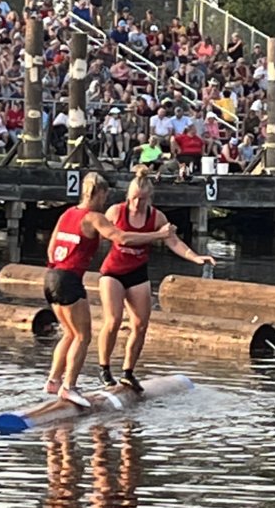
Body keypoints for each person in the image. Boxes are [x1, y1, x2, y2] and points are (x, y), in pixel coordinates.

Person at [44, 172, 175, 407]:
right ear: (100, 193)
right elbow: (122, 238)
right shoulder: (93, 217)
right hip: (69, 279)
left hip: (51, 277)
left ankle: (53, 380)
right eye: (105, 195)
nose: (106, 201)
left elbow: (52, 247)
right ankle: (69, 387)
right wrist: (159, 235)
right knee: (83, 337)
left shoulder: (67, 213)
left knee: (69, 333)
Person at [97, 166, 216, 392]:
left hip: (138, 273)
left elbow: (173, 241)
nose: (136, 204)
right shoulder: (116, 212)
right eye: (133, 199)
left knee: (140, 325)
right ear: (127, 197)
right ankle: (104, 369)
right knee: (113, 320)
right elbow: (118, 238)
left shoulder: (156, 217)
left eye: (141, 200)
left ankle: (128, 372)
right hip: (112, 272)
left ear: (149, 199)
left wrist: (195, 257)